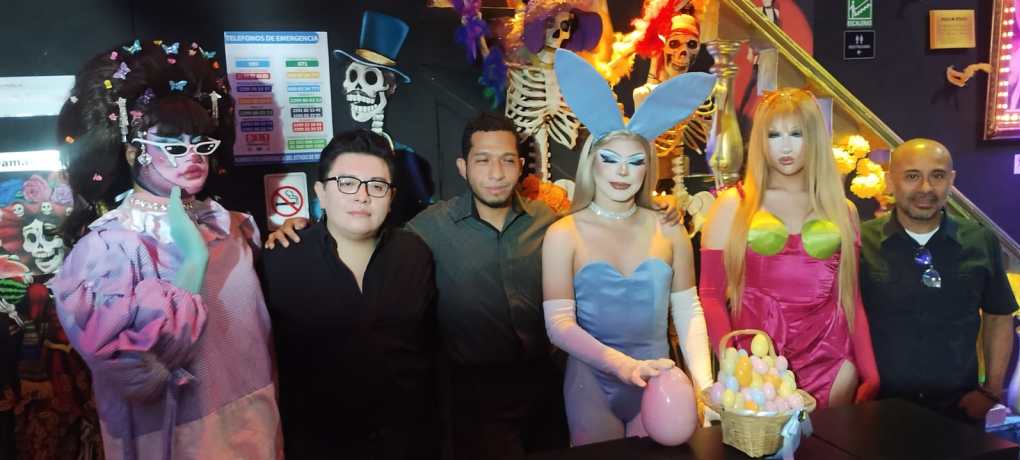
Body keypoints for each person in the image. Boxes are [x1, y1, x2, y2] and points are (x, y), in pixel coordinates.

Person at [265, 112, 684, 458]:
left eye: (507, 160)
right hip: (472, 402)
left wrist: (658, 208)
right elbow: (359, 225)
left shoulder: (551, 222)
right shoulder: (428, 229)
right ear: (463, 167)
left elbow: (606, 221)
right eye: (482, 160)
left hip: (549, 389)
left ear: (521, 166)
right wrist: (303, 228)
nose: (496, 173)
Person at [50, 39, 281, 459]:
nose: (192, 157)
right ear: (133, 152)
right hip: (178, 444)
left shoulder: (232, 227)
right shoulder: (108, 250)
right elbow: (136, 376)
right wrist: (191, 266)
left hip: (257, 431)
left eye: (202, 144)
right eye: (174, 146)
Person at [541, 48, 716, 445]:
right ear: (591, 161)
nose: (622, 171)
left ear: (647, 167)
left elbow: (688, 311)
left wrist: (705, 387)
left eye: (635, 161)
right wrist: (621, 366)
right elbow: (558, 326)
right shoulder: (563, 234)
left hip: (660, 382)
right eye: (610, 159)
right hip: (591, 384)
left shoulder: (669, 228)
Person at [259, 129, 438, 459]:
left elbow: (432, 351)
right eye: (347, 183)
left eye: (377, 186)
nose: (362, 196)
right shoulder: (279, 260)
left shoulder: (415, 254)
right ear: (321, 193)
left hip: (406, 443)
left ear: (392, 196)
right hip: (315, 446)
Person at [700, 88, 879, 409]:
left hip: (831, 361)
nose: (785, 146)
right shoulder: (732, 205)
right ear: (760, 140)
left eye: (796, 134)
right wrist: (732, 363)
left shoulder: (843, 210)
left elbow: (851, 299)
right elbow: (711, 295)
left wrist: (870, 372)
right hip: (759, 365)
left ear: (814, 139)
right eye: (774, 135)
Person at [860, 138, 1017, 422]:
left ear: (951, 181)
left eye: (938, 176)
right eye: (912, 176)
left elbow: (999, 316)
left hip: (959, 411)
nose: (926, 188)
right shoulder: (861, 241)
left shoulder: (980, 240)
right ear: (890, 182)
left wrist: (991, 392)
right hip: (877, 410)